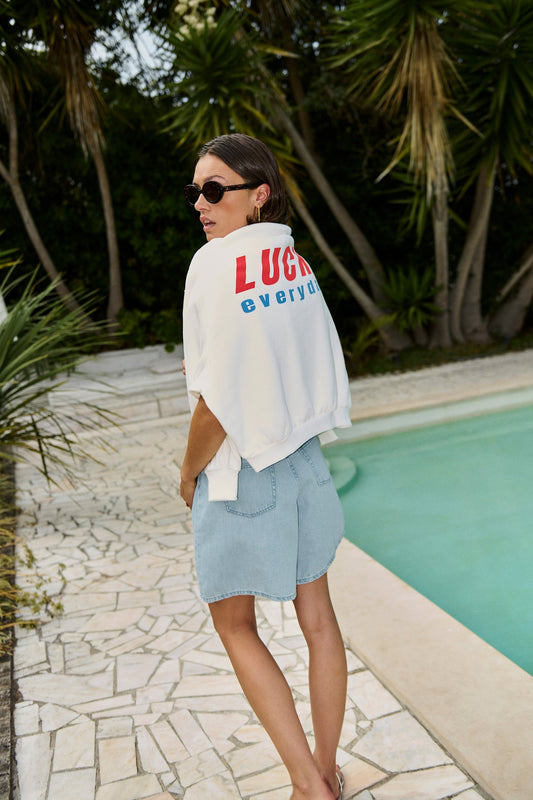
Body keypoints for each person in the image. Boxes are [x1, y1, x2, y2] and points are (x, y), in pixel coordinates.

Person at [180, 133, 352, 800]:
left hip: (243, 469)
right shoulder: (294, 264)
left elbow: (217, 402)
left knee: (234, 625)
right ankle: (326, 770)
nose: (201, 203)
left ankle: (308, 786)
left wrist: (187, 473)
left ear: (259, 194)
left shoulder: (213, 266)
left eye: (213, 189)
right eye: (195, 191)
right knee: (319, 621)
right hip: (303, 459)